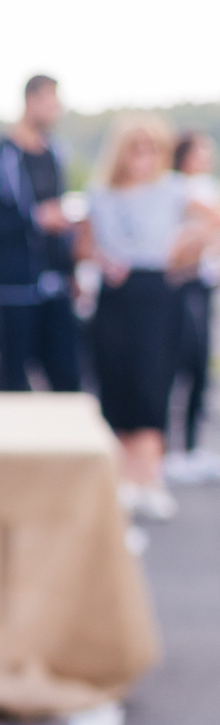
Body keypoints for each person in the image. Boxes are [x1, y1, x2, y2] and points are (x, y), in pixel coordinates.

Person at [83, 114, 218, 520]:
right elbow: (85, 243)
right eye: (136, 147)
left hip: (158, 292)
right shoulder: (101, 193)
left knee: (152, 382)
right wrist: (101, 260)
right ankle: (124, 479)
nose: (144, 157)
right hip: (115, 295)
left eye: (152, 148)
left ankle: (150, 477)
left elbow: (211, 220)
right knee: (116, 382)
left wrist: (186, 251)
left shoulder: (173, 189)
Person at [0, 75, 83, 393]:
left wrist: (72, 268)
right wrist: (35, 218)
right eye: (50, 102)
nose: (55, 110)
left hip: (55, 286)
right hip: (14, 288)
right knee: (14, 380)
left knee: (68, 376)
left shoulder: (55, 154)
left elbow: (58, 213)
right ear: (30, 101)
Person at [167, 132, 218, 482]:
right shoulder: (175, 189)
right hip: (181, 284)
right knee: (182, 363)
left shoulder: (205, 187)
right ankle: (172, 451)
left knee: (200, 366)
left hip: (204, 283)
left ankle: (190, 446)